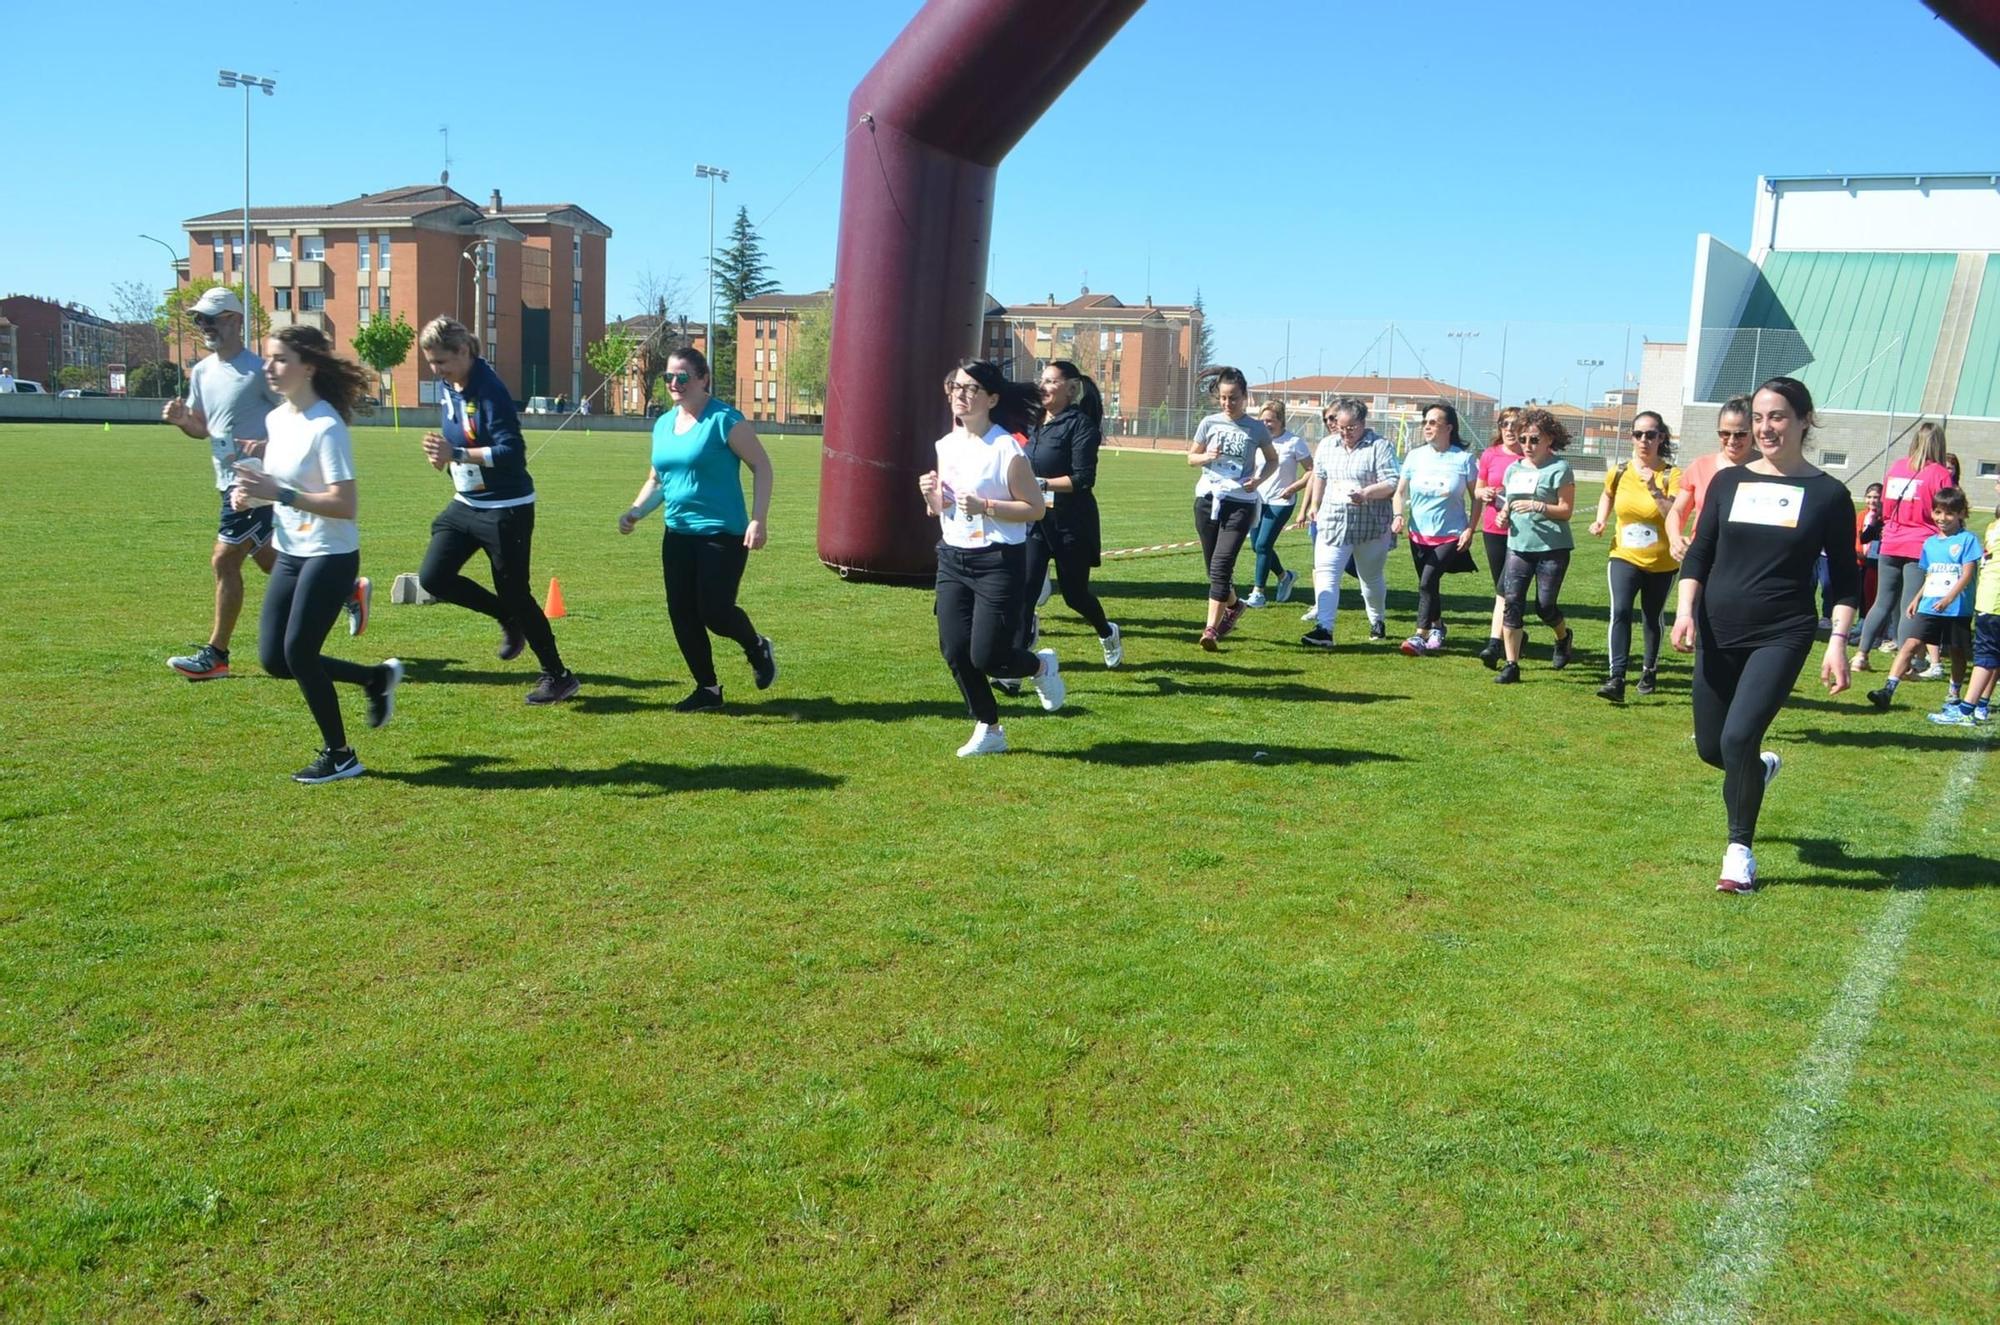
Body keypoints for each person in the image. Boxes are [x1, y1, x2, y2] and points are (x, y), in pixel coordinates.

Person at [1672, 377, 1860, 893]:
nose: (1765, 427)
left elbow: (1845, 582)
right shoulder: (1730, 482)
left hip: (1782, 632)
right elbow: (1700, 553)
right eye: (1758, 417)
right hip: (1716, 627)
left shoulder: (1828, 495)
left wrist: (1838, 643)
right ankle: (1759, 768)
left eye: (1777, 416)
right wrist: (1686, 611)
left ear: (1804, 420)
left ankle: (1739, 854)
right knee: (1714, 748)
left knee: (1738, 737)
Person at [161, 287, 368, 680]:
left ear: (235, 321)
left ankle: (217, 654)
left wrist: (268, 452)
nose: (204, 326)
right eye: (199, 319)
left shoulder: (263, 368)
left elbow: (295, 418)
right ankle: (345, 589)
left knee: (224, 559)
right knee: (268, 558)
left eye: (212, 317)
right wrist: (183, 421)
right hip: (233, 484)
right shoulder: (203, 371)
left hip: (263, 484)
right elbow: (203, 428)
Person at [227, 327, 402, 783]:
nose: (269, 367)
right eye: (268, 358)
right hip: (290, 550)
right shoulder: (278, 420)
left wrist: (278, 493)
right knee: (275, 660)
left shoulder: (328, 427)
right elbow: (285, 488)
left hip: (331, 554)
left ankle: (340, 754)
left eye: (280, 359)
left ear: (309, 367)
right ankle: (374, 679)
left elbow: (344, 505)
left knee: (300, 653)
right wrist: (253, 496)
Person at [416, 316, 579, 707]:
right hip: (466, 504)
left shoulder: (490, 391)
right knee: (433, 577)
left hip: (507, 510)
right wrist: (445, 458)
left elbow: (512, 453)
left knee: (517, 594)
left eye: (442, 362)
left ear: (464, 351)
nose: (436, 371)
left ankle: (558, 676)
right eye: (432, 363)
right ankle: (506, 618)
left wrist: (455, 454)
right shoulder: (449, 384)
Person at [618, 346, 777, 711]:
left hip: (722, 533)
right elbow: (658, 479)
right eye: (668, 377)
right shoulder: (663, 424)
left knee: (715, 611)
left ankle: (756, 647)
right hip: (678, 534)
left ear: (703, 379)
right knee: (682, 613)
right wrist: (636, 511)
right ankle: (707, 689)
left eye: (682, 377)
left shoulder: (724, 420)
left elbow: (763, 467)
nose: (674, 383)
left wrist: (759, 519)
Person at [918, 359, 1064, 755]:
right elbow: (942, 509)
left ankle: (1040, 666)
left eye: (970, 390)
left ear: (992, 398)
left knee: (988, 656)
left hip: (998, 561)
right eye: (956, 388)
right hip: (952, 557)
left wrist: (986, 506)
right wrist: (932, 495)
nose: (959, 396)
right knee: (954, 650)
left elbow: (1034, 508)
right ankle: (990, 728)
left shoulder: (1006, 449)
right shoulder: (945, 445)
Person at [1014, 359, 1121, 668]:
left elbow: (1083, 479)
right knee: (1026, 592)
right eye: (1042, 380)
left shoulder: (1081, 425)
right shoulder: (1036, 420)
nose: (1042, 386)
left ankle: (1106, 631)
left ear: (1071, 389)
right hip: (1037, 520)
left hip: (1071, 523)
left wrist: (1040, 483)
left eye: (1051, 382)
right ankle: (1016, 665)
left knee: (1075, 596)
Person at [1588, 411, 1681, 700]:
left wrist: (1654, 488)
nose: (1643, 440)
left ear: (1661, 438)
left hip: (1662, 562)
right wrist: (1601, 519)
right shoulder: (1618, 471)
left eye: (1650, 434)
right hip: (1624, 554)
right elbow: (1607, 494)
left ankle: (1649, 669)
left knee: (1652, 617)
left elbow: (1673, 515)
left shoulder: (1672, 475)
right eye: (1638, 434)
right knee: (1622, 611)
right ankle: (1616, 678)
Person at [1296, 397, 1398, 649]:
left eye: (1350, 428)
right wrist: (1314, 505)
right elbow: (1319, 475)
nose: (1344, 433)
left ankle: (1377, 620)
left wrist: (1365, 493)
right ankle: (1324, 629)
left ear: (1363, 423)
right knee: (1326, 573)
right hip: (1332, 522)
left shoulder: (1380, 446)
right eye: (1340, 427)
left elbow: (1392, 482)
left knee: (1370, 578)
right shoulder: (1328, 445)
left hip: (1370, 525)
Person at [1187, 367, 1277, 649]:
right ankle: (1235, 605)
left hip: (1240, 501)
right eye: (1224, 398)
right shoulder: (1209, 422)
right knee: (1212, 569)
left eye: (1234, 398)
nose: (1228, 404)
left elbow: (1272, 460)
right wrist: (1205, 456)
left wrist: (1259, 479)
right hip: (1208, 499)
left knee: (1222, 563)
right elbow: (1190, 457)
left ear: (1245, 397)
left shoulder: (1256, 428)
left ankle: (1210, 630)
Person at [1867, 487, 1979, 714]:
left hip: (1956, 608)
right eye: (1938, 512)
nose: (1942, 519)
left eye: (1948, 513)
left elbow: (1967, 574)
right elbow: (1931, 575)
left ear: (1960, 514)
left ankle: (1954, 693)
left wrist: (1949, 598)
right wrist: (1917, 598)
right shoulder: (1930, 543)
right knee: (1909, 644)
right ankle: (1888, 690)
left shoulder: (1967, 540)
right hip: (1930, 605)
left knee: (1957, 651)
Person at [1855, 420, 1952, 665]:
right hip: (1920, 544)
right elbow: (1947, 509)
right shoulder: (1940, 474)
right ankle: (1904, 662)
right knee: (1911, 604)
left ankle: (1861, 654)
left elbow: (1886, 509)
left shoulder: (1897, 468)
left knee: (1882, 601)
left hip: (1891, 541)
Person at [1492, 409, 1578, 683]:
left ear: (1548, 439)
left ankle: (1563, 637)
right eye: (1523, 439)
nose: (1527, 445)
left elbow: (1566, 510)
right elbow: (1508, 503)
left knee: (1545, 606)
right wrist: (1503, 514)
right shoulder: (1513, 469)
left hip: (1552, 547)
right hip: (1518, 546)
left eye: (1533, 439)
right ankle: (1511, 664)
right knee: (1512, 603)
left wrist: (1538, 506)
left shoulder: (1560, 468)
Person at [1390, 401, 1480, 656]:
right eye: (1425, 422)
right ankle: (1439, 626)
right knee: (1428, 584)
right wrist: (1398, 515)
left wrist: (1470, 530)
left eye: (1433, 422)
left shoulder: (1463, 459)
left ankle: (1419, 636)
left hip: (1450, 535)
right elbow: (1399, 492)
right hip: (1418, 534)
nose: (1427, 427)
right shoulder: (1415, 456)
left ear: (1448, 427)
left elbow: (1477, 498)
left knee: (1428, 580)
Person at [1932, 476, 1999, 726]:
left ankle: (1966, 710)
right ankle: (1976, 705)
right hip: (1989, 597)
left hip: (1993, 599)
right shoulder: (1994, 526)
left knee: (1985, 656)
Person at [1666, 396, 1753, 562]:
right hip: (1703, 558)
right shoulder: (1700, 466)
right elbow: (1677, 511)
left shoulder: (1768, 469)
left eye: (1741, 434)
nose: (1732, 440)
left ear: (1754, 431)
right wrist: (1675, 538)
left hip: (1745, 563)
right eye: (1725, 433)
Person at [1244, 399, 1312, 608]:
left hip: (1281, 502)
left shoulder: (1294, 442)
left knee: (1264, 544)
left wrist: (1294, 487)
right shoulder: (1257, 441)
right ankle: (1285, 576)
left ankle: (1258, 593)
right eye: (1262, 420)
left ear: (1281, 421)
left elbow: (1312, 470)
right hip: (1258, 499)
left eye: (1270, 421)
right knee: (1257, 546)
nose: (1266, 424)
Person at [1473, 407, 1524, 665]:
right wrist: (1483, 494)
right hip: (1493, 528)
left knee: (1505, 588)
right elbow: (1477, 490)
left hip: (1522, 532)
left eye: (1515, 425)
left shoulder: (1530, 456)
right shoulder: (1490, 455)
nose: (1509, 429)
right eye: (1504, 424)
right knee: (1502, 588)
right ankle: (1516, 633)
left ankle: (1494, 644)